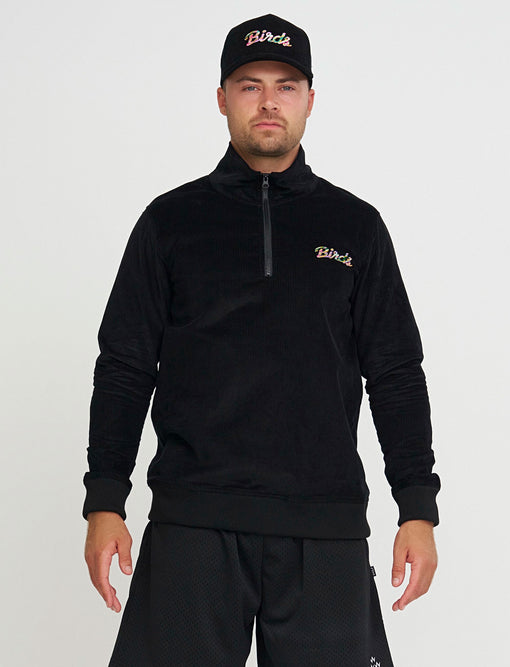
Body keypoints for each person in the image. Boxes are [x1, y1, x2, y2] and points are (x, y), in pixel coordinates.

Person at [83, 13, 440, 667]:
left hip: (323, 527)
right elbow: (126, 365)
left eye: (286, 85)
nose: (269, 102)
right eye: (250, 85)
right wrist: (105, 499)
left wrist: (416, 505)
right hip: (194, 522)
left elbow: (394, 370)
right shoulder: (171, 222)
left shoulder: (355, 226)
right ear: (222, 98)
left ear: (310, 99)